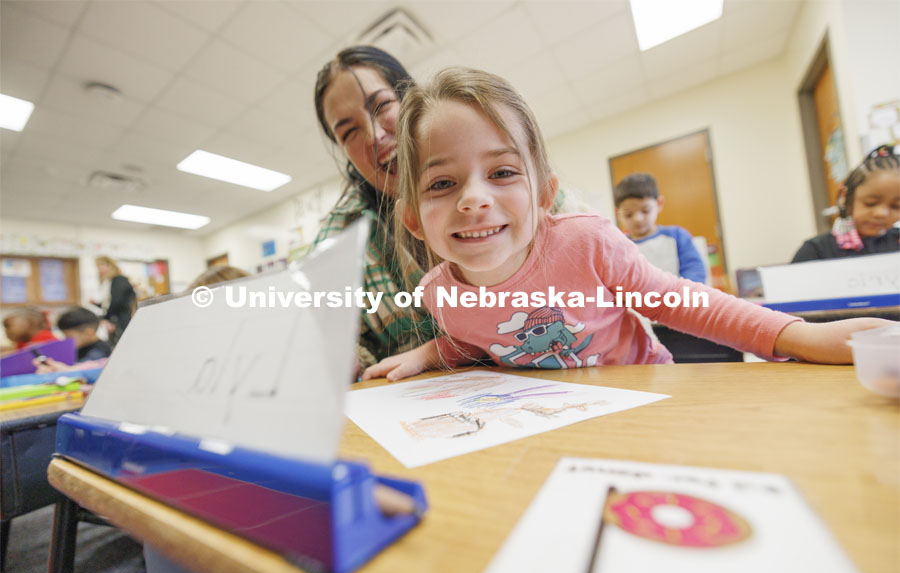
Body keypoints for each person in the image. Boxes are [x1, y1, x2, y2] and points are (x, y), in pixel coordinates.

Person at [362, 67, 889, 381]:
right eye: (441, 184)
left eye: (501, 172)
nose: (474, 200)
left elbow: (682, 300)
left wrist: (796, 336)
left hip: (649, 389)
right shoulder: (438, 293)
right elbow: (468, 339)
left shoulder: (586, 242)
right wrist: (427, 353)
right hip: (553, 420)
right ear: (413, 218)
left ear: (545, 193)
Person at [312, 46, 577, 371]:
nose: (374, 134)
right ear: (411, 221)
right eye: (349, 131)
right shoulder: (340, 237)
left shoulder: (520, 192)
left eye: (381, 106)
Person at [792, 145, 899, 262]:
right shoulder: (816, 250)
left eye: (896, 206)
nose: (881, 213)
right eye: (870, 203)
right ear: (844, 196)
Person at [614, 173, 707, 283]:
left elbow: (695, 272)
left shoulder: (677, 236)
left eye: (645, 211)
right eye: (628, 214)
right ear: (618, 213)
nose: (637, 219)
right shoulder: (619, 246)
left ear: (659, 203)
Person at [93, 256, 136, 345]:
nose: (99, 268)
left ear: (110, 265)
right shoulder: (109, 281)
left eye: (102, 265)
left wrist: (107, 319)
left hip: (121, 319)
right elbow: (109, 303)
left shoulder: (119, 280)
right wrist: (97, 304)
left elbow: (117, 301)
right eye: (98, 266)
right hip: (116, 318)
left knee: (122, 345)